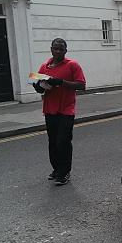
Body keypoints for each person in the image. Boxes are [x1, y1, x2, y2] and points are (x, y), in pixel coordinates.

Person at [32, 38, 86, 185]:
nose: (58, 51)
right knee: (53, 142)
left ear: (65, 51)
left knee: (63, 141)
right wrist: (38, 87)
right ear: (51, 49)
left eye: (61, 49)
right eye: (55, 48)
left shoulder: (72, 65)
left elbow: (81, 85)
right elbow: (41, 85)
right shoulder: (45, 66)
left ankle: (65, 171)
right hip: (50, 110)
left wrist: (61, 82)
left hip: (66, 110)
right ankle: (56, 169)